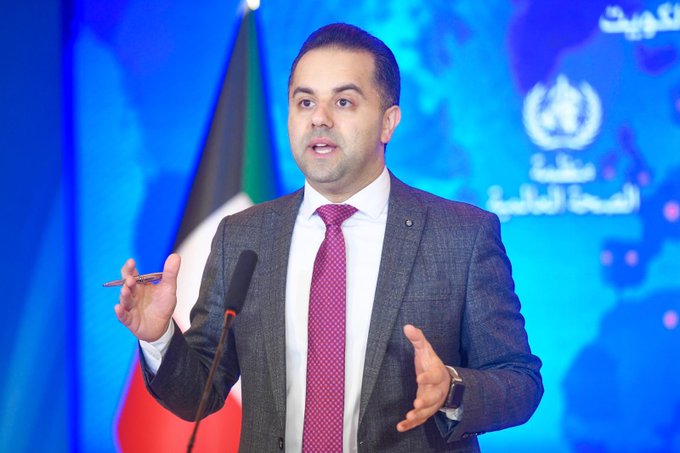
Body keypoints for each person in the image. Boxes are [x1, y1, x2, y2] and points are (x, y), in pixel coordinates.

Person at [115, 23, 542, 452]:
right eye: (305, 102)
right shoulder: (242, 236)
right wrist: (158, 338)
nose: (319, 118)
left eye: (343, 101)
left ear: (388, 122)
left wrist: (451, 388)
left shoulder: (462, 235)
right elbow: (199, 393)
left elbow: (520, 382)